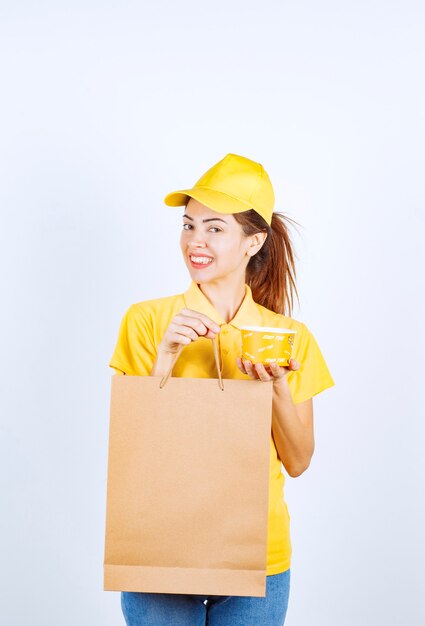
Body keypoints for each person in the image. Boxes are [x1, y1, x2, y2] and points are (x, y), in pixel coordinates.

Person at [109, 152, 335, 625]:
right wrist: (165, 358)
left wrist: (273, 388)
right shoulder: (148, 321)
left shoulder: (288, 338)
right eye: (188, 225)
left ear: (253, 242)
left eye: (215, 228)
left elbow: (298, 462)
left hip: (257, 555)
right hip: (161, 549)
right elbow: (134, 449)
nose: (195, 241)